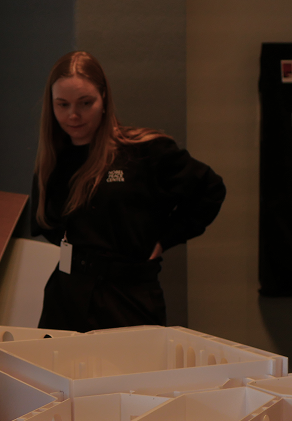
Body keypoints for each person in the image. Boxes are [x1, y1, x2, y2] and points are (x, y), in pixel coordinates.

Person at [31, 51, 225, 333]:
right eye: (62, 104)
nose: (73, 115)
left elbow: (210, 189)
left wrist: (164, 240)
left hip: (127, 296)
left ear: (104, 99)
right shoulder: (53, 158)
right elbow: (46, 224)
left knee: (131, 375)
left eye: (86, 103)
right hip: (67, 297)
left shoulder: (144, 151)